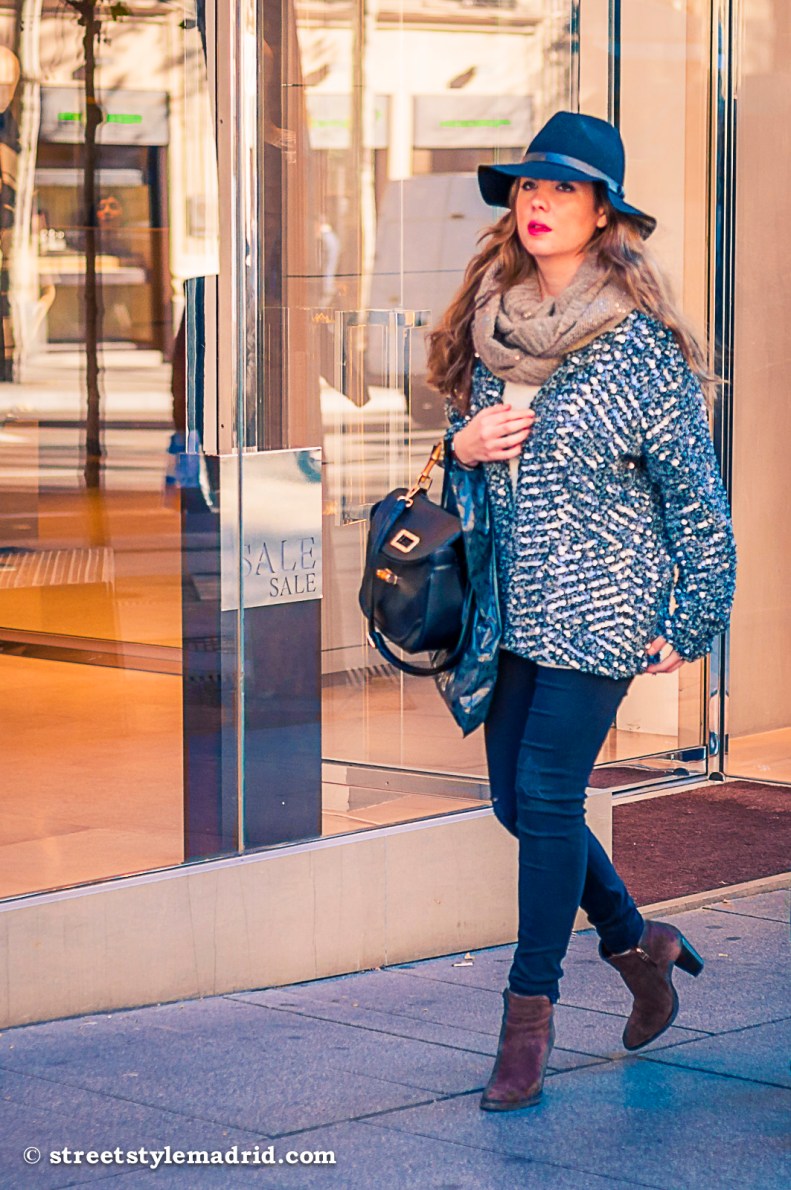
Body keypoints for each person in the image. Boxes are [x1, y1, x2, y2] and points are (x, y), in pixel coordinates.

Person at [425, 111, 737, 1112]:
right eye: (525, 188)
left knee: (549, 798)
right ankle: (637, 941)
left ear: (602, 212)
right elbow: (456, 471)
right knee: (515, 805)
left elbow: (698, 501)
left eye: (558, 189)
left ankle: (526, 1019)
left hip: (598, 613)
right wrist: (462, 447)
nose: (535, 204)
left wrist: (690, 617)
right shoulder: (490, 331)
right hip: (505, 609)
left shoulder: (639, 354)